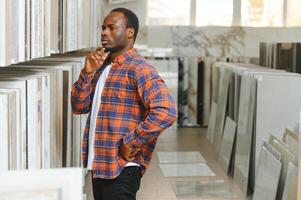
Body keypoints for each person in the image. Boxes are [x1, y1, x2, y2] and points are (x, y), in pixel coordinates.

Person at [71, 7, 177, 200]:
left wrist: (131, 142)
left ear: (130, 32)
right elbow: (78, 107)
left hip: (122, 169)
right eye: (103, 28)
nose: (104, 32)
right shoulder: (101, 68)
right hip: (100, 166)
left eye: (112, 28)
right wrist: (86, 74)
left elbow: (166, 111)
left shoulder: (139, 68)